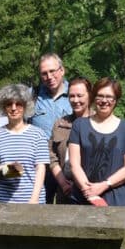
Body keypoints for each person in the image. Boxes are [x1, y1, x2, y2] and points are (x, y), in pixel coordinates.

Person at [68, 77, 125, 221]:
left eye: (109, 97)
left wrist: (104, 185)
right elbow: (74, 164)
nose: (104, 101)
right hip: (83, 196)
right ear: (93, 97)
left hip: (116, 198)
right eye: (100, 96)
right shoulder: (79, 125)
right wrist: (90, 191)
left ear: (116, 100)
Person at [0, 84, 50, 204]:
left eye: (18, 104)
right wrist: (2, 170)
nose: (14, 108)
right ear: (3, 107)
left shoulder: (38, 135)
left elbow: (40, 168)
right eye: (9, 104)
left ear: (26, 106)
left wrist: (34, 200)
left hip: (32, 201)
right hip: (3, 202)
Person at [30, 53, 72, 204]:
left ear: (62, 70)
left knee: (68, 212)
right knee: (40, 211)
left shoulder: (76, 94)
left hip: (67, 164)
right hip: (41, 165)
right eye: (44, 73)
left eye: (52, 71)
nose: (49, 76)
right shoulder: (32, 96)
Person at [48, 76, 91, 204]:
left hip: (91, 189)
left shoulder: (99, 124)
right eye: (71, 96)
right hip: (65, 190)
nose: (75, 100)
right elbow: (51, 156)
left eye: (80, 95)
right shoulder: (60, 124)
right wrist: (62, 182)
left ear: (89, 95)